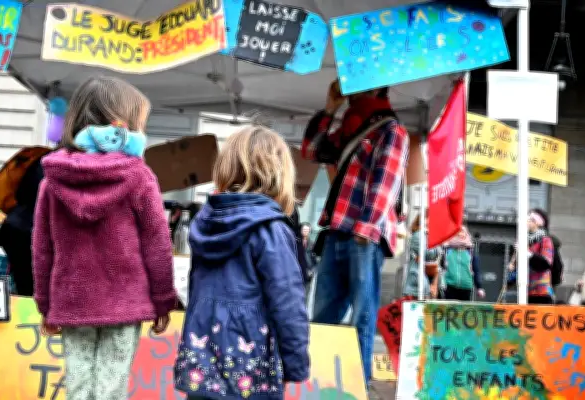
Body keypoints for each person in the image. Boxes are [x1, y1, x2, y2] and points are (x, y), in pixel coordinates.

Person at [32, 77, 176, 400]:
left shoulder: (52, 179)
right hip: (126, 301)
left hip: (71, 299)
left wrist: (44, 303)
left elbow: (42, 249)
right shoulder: (139, 176)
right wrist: (163, 298)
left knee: (79, 387)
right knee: (111, 388)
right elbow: (158, 243)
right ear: (122, 123)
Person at [174, 127, 310, 400]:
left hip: (202, 361)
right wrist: (296, 364)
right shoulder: (271, 228)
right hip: (250, 366)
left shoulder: (206, 222)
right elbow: (287, 301)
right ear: (280, 173)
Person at [301, 80, 409, 385]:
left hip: (364, 234)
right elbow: (310, 151)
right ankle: (320, 380)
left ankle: (357, 383)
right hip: (337, 230)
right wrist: (330, 108)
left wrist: (367, 227)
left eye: (361, 82)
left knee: (362, 315)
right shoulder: (351, 128)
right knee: (324, 314)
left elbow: (385, 185)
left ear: (377, 88)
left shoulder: (390, 130)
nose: (353, 87)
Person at [0, 152, 47, 296]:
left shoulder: (41, 160)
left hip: (15, 226)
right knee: (28, 286)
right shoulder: (51, 166)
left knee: (25, 283)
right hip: (22, 230)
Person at [506, 209, 555, 305]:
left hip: (542, 291)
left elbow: (546, 262)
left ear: (537, 223)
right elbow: (518, 265)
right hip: (526, 291)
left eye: (530, 220)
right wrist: (512, 266)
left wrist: (526, 253)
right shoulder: (523, 240)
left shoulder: (545, 240)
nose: (527, 222)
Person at [402, 215, 442, 298]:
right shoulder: (418, 235)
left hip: (427, 279)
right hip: (417, 279)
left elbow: (437, 258)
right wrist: (436, 241)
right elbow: (428, 254)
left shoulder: (429, 235)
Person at [442, 226, 485, 301]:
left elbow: (476, 270)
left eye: (462, 232)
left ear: (466, 234)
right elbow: (442, 267)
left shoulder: (471, 252)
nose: (460, 234)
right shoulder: (447, 250)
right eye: (458, 232)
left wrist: (479, 287)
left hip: (466, 287)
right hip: (449, 286)